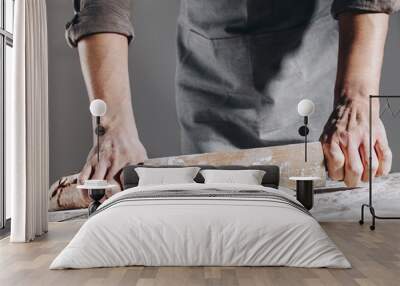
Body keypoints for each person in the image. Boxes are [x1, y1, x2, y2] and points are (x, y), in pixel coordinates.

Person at [66, 0, 398, 190]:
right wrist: (112, 126)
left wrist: (356, 99)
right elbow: (102, 4)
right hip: (211, 72)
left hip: (317, 74)